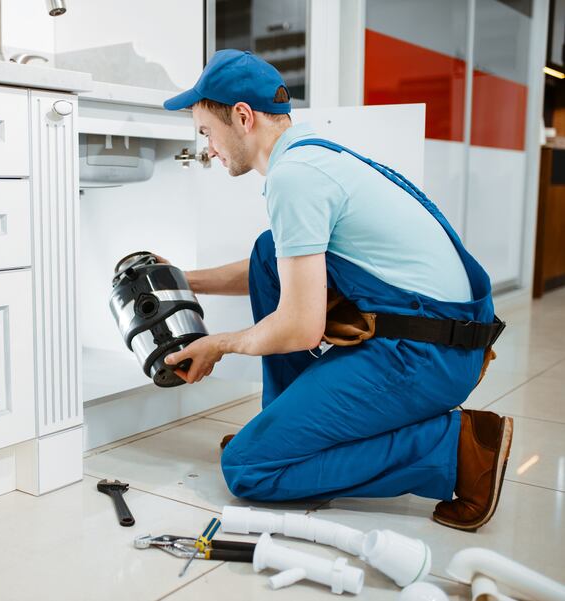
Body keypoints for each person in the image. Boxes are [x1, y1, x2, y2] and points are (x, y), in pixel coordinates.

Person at [157, 49, 511, 532]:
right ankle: (284, 431)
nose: (208, 148)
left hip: (426, 357)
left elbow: (301, 328)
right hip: (439, 338)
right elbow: (285, 267)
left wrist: (218, 343)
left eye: (206, 133)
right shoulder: (316, 158)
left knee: (249, 468)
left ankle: (452, 447)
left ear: (241, 117)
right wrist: (181, 278)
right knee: (268, 253)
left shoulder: (294, 179)